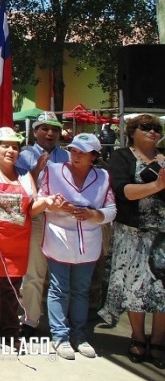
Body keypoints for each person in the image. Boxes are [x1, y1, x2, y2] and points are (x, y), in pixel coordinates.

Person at [0, 127, 56, 344]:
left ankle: (9, 333)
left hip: (18, 244)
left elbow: (31, 208)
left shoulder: (25, 175)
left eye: (15, 147)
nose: (11, 150)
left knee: (12, 290)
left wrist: (45, 203)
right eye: (5, 146)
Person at [38, 133, 116, 360]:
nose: (76, 155)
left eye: (82, 152)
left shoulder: (103, 176)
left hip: (88, 242)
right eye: (73, 150)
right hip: (59, 239)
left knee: (81, 291)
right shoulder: (53, 171)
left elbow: (111, 210)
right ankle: (60, 336)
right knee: (59, 289)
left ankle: (80, 336)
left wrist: (94, 214)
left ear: (94, 155)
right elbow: (42, 200)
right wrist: (55, 206)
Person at [100, 115, 165, 369]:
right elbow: (121, 191)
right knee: (133, 287)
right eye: (145, 127)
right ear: (132, 131)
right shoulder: (122, 157)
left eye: (156, 128)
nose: (152, 131)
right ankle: (138, 336)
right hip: (132, 233)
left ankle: (159, 339)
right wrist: (157, 186)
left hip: (162, 235)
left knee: (162, 290)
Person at [15, 111, 69, 338]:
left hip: (63, 219)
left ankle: (61, 322)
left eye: (54, 129)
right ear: (35, 131)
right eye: (45, 128)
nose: (50, 133)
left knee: (61, 274)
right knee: (34, 272)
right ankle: (30, 319)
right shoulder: (24, 156)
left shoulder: (67, 156)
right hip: (37, 217)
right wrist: (37, 168)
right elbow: (21, 188)